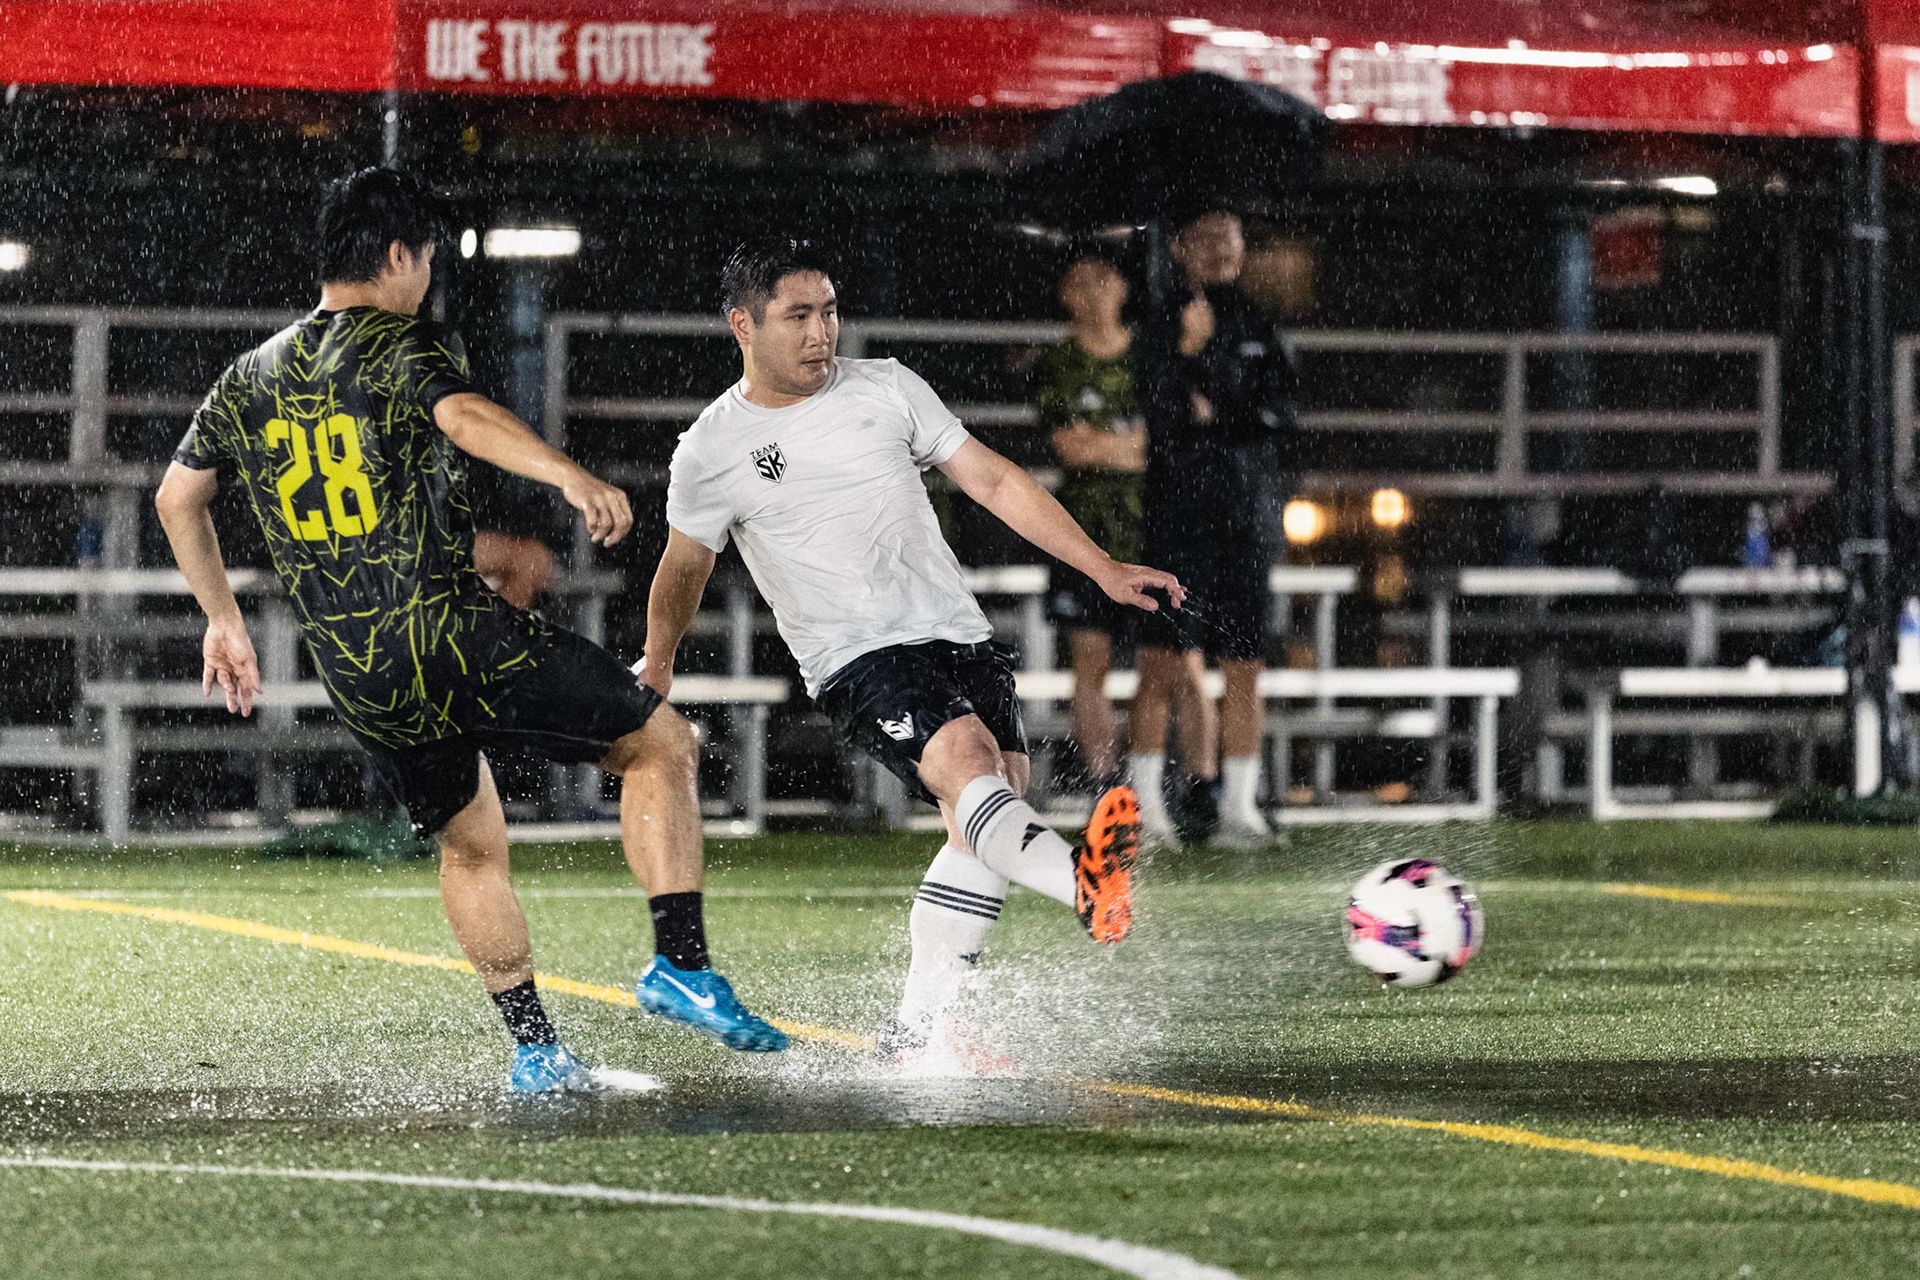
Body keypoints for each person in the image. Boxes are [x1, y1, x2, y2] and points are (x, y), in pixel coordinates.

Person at [153, 167, 786, 1095]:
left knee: (469, 842)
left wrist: (223, 622)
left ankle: (536, 1051)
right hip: (449, 633)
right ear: (400, 256)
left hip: (357, 670)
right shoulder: (393, 344)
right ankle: (681, 966)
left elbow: (177, 497)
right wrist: (566, 475)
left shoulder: (246, 377)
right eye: (427, 262)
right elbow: (466, 415)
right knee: (660, 743)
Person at [638, 237, 1184, 1063]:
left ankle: (917, 1034)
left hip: (956, 632)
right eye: (799, 317)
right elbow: (684, 567)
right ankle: (1081, 881)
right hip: (856, 657)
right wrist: (660, 658)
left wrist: (1101, 568)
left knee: (989, 806)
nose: (821, 332)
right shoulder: (711, 448)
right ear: (742, 324)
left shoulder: (888, 386)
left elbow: (995, 480)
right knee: (968, 767)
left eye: (828, 311)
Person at [1130, 210, 1302, 850]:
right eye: (1204, 238)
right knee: (1160, 659)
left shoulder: (1260, 322)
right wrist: (1190, 356)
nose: (1220, 250)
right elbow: (1163, 411)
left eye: (1230, 239)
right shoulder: (1158, 323)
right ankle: (1146, 809)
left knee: (1246, 666)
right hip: (1178, 517)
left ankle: (1240, 808)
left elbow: (1281, 416)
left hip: (1246, 518)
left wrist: (1221, 395)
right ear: (1179, 247)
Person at [1035, 253, 1147, 790]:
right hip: (1083, 534)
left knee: (1174, 666)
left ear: (1123, 286)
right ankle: (1105, 786)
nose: (1093, 291)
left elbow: (1169, 447)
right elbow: (1070, 448)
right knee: (1090, 664)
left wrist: (1107, 445)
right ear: (1064, 294)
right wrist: (1131, 447)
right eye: (1079, 281)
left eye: (1104, 277)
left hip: (1154, 529)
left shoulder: (1152, 356)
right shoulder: (1058, 363)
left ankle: (1182, 792)